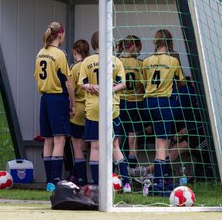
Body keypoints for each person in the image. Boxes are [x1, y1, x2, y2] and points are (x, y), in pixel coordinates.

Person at [78, 30, 131, 192]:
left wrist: (92, 87)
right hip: (111, 108)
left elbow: (82, 83)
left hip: (93, 109)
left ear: (94, 44)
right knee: (115, 146)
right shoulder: (116, 61)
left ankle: (97, 184)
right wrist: (110, 89)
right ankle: (127, 183)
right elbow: (123, 83)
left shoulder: (87, 61)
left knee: (95, 146)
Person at [34, 22, 75, 192]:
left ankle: (49, 181)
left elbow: (36, 76)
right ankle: (55, 180)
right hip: (58, 98)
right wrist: (72, 103)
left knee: (48, 140)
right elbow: (68, 81)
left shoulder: (40, 53)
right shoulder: (59, 54)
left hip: (45, 99)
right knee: (60, 139)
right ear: (61, 35)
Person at [141, 29, 185, 189]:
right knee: (162, 144)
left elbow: (143, 83)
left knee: (161, 142)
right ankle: (159, 181)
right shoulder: (173, 61)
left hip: (148, 104)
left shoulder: (146, 61)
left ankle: (164, 177)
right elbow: (181, 83)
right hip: (163, 103)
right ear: (169, 42)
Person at [118, 35, 144, 169]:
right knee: (132, 138)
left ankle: (116, 168)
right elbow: (143, 83)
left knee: (118, 137)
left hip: (120, 103)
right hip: (135, 103)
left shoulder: (117, 62)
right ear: (134, 46)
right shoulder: (140, 64)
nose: (139, 52)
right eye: (139, 49)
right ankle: (132, 169)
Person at [69, 39, 90, 186]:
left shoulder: (74, 68)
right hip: (90, 109)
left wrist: (71, 104)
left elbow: (69, 86)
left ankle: (81, 179)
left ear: (75, 51)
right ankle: (76, 175)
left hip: (77, 110)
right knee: (87, 145)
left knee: (76, 146)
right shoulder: (90, 65)